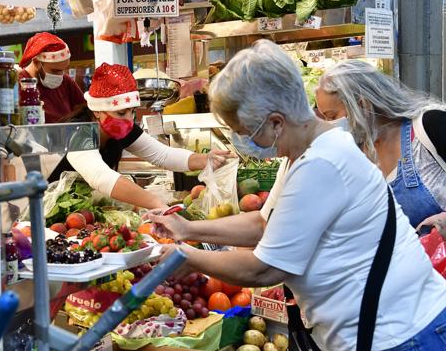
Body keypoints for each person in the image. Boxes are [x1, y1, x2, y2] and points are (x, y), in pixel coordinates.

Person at [146, 40, 446, 351]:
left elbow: (266, 268)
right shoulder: (313, 152)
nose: (243, 140)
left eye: (246, 131)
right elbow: (266, 225)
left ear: (276, 122)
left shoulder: (320, 164)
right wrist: (188, 228)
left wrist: (191, 258)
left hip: (402, 336)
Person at [46, 62, 232, 209]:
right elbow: (101, 178)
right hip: (52, 212)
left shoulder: (120, 127)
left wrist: (207, 159)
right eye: (121, 113)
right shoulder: (79, 131)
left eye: (132, 112)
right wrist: (155, 203)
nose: (128, 119)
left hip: (83, 209)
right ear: (97, 111)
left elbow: (163, 155)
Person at [315, 60, 446, 236]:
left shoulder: (429, 126)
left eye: (332, 116)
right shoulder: (359, 156)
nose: (330, 125)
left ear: (362, 105)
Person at [18, 32, 86, 123]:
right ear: (37, 63)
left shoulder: (66, 82)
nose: (60, 75)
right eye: (55, 71)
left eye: (63, 70)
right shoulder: (19, 84)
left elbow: (84, 112)